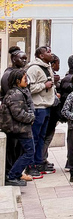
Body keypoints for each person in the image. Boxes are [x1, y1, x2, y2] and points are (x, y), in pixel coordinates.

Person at [1, 46, 32, 181]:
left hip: (20, 125)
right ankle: (12, 173)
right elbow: (17, 110)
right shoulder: (11, 78)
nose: (24, 61)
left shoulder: (19, 75)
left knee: (22, 151)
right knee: (19, 151)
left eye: (26, 58)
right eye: (22, 58)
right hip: (16, 125)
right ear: (14, 59)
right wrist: (31, 116)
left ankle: (15, 173)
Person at [26, 46, 56, 176]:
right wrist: (44, 86)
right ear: (41, 55)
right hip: (38, 107)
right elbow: (29, 88)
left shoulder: (47, 67)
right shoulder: (33, 69)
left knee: (42, 136)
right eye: (48, 52)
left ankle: (39, 161)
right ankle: (30, 164)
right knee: (35, 137)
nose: (51, 54)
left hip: (47, 106)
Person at [42, 54, 61, 172]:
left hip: (52, 111)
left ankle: (43, 158)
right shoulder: (49, 75)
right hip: (49, 111)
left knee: (46, 137)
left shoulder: (53, 76)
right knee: (45, 138)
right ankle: (42, 159)